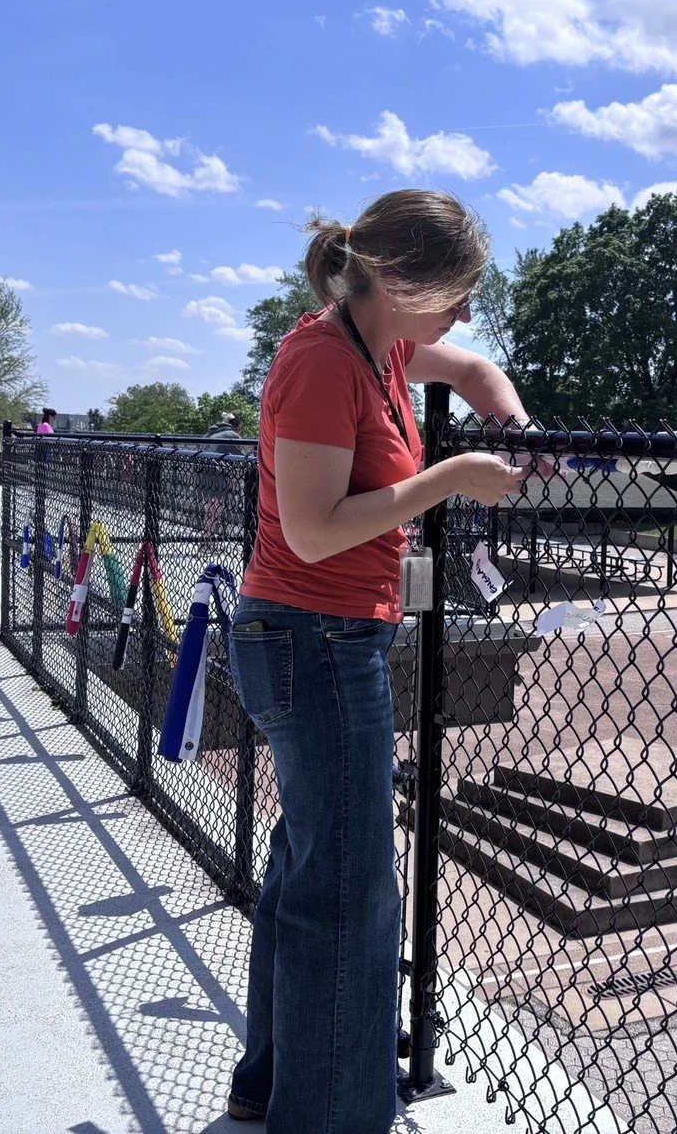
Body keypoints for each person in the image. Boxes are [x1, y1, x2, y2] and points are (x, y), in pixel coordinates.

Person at [224, 190, 529, 1132]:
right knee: (352, 896)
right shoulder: (322, 360)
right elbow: (313, 532)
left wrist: (516, 428)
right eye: (458, 292)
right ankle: (332, 1118)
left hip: (311, 637)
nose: (466, 312)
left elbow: (475, 368)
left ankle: (271, 1084)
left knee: (307, 870)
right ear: (402, 283)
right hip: (312, 636)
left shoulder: (381, 341)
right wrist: (451, 477)